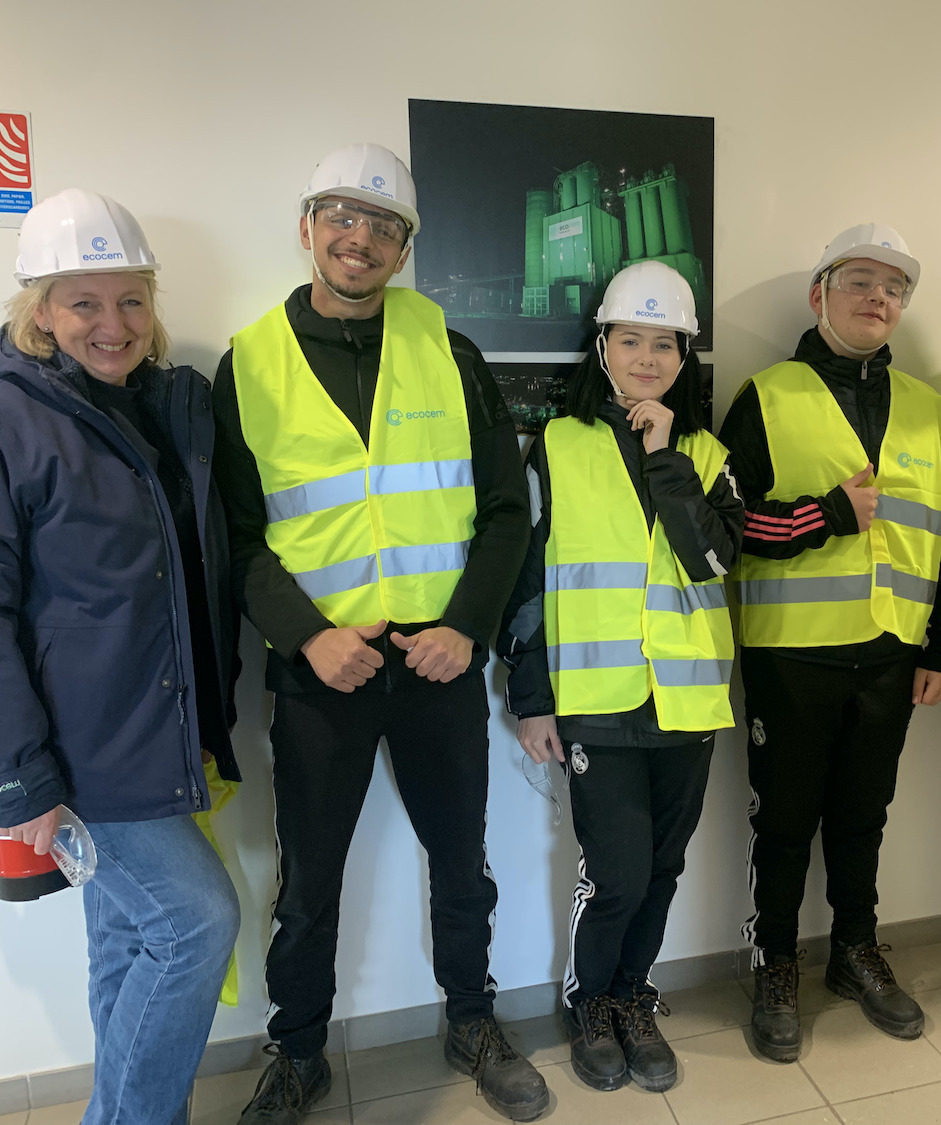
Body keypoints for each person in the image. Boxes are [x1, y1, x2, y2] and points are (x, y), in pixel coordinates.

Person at [212, 144, 545, 1123]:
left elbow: (505, 513)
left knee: (462, 863)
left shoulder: (452, 351)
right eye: (342, 218)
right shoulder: (252, 362)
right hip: (322, 672)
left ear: (403, 249)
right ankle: (299, 1052)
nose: (360, 239)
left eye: (383, 225)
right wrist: (308, 639)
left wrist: (465, 630)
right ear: (309, 228)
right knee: (309, 879)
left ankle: (473, 1022)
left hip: (435, 662)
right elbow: (235, 538)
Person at [0, 189, 242, 1125]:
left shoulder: (143, 413)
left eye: (131, 300)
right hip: (79, 757)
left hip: (152, 738)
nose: (114, 324)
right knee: (195, 923)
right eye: (84, 302)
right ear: (38, 313)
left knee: (128, 941)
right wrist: (19, 781)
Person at [719, 224, 941, 1061]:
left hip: (893, 652)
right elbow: (727, 528)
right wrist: (822, 514)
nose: (878, 299)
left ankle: (855, 951)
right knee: (784, 823)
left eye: (894, 289)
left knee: (864, 817)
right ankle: (777, 965)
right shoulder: (766, 396)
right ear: (820, 293)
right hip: (792, 654)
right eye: (861, 281)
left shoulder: (932, 412)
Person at [498, 260, 743, 1092]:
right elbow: (525, 582)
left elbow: (714, 558)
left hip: (688, 699)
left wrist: (667, 455)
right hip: (597, 704)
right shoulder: (556, 448)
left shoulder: (706, 453)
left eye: (664, 343)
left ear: (684, 358)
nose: (647, 356)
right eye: (631, 339)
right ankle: (589, 1003)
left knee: (664, 868)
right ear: (602, 346)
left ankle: (634, 995)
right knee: (617, 873)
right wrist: (530, 699)